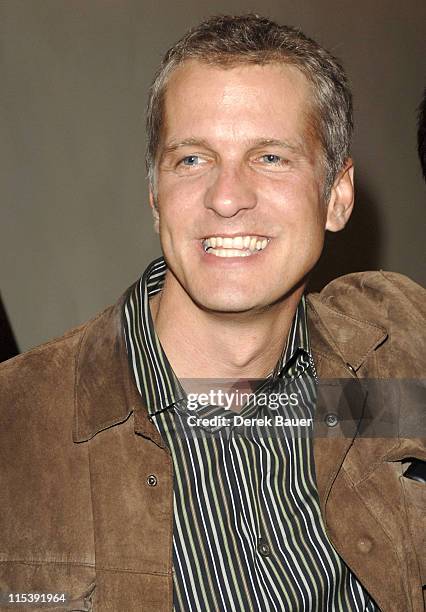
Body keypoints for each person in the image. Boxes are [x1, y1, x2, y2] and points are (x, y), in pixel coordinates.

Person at [0, 14, 425, 612]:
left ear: (338, 196)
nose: (226, 198)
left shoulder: (393, 363)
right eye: (192, 160)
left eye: (271, 157)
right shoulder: (18, 426)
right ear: (155, 198)